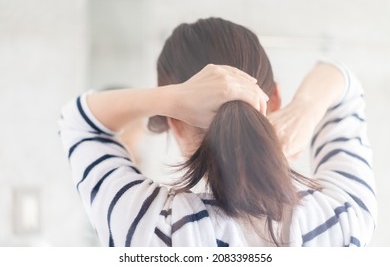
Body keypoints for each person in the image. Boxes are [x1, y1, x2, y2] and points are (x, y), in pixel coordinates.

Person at [58, 17, 377, 246]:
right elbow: (343, 86)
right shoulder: (343, 215)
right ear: (274, 98)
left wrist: (172, 98)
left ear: (174, 121)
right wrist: (304, 107)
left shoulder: (152, 229)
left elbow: (79, 121)